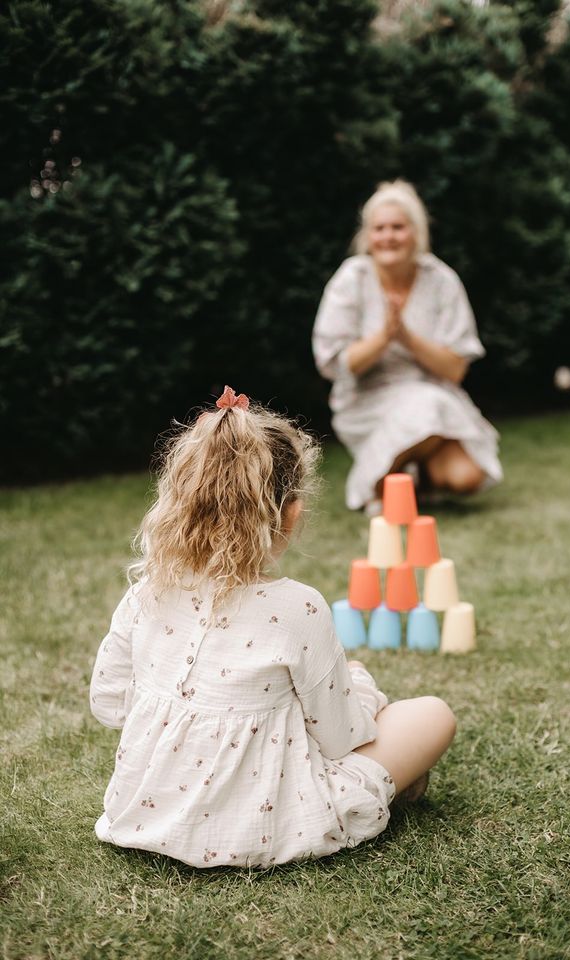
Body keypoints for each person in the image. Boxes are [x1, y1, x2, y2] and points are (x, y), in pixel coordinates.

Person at [89, 386, 456, 868]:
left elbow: (109, 705)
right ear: (291, 513)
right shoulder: (297, 607)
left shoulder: (146, 592)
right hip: (270, 824)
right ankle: (387, 780)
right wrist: (365, 693)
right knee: (432, 714)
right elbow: (341, 739)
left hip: (141, 815)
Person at [312, 179, 503, 514]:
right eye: (379, 228)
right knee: (426, 406)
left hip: (433, 393)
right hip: (366, 399)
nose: (388, 237)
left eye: (398, 227)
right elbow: (339, 365)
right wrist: (384, 337)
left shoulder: (441, 279)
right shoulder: (351, 278)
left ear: (416, 232)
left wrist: (406, 337)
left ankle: (411, 475)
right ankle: (372, 485)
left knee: (465, 476)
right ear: (367, 236)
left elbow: (455, 369)